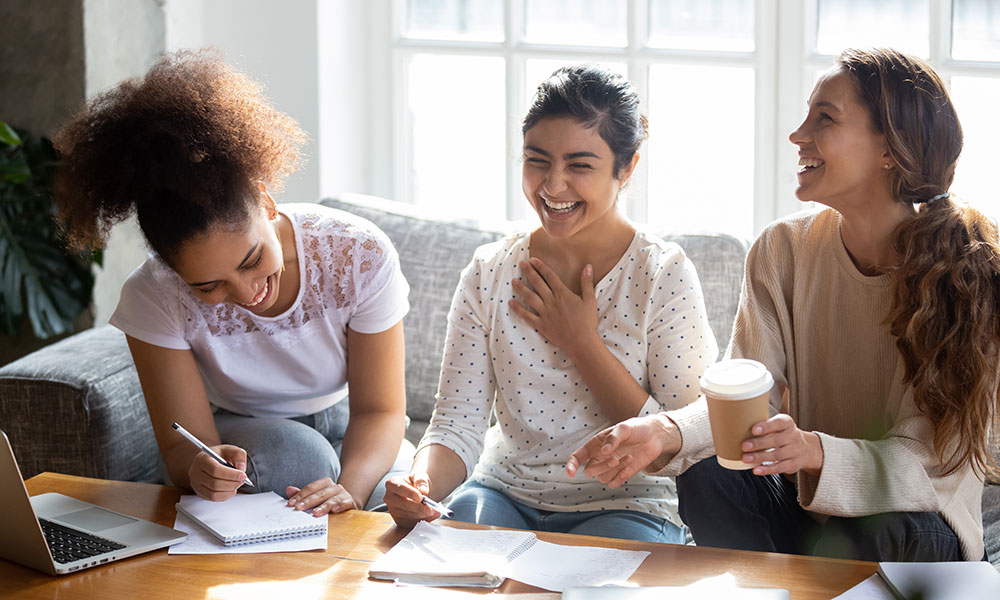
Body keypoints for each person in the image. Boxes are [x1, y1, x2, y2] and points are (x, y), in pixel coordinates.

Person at [568, 48, 1000, 562]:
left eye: (825, 118)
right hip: (816, 520)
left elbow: (925, 466)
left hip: (918, 524)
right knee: (708, 477)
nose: (798, 135)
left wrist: (813, 450)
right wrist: (664, 431)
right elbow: (749, 403)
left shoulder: (964, 275)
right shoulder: (782, 251)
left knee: (880, 532)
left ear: (891, 148)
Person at [52, 50, 412, 516]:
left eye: (251, 259)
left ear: (265, 202)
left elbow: (381, 411)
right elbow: (183, 449)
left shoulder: (356, 254)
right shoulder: (154, 295)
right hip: (246, 434)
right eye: (207, 287)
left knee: (404, 494)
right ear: (170, 268)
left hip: (349, 423)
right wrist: (202, 466)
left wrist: (354, 491)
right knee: (298, 458)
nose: (245, 295)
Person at [383, 64, 717, 543]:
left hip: (629, 505)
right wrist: (421, 483)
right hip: (500, 492)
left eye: (579, 165)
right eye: (537, 160)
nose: (552, 186)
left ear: (627, 168)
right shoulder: (490, 271)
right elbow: (456, 423)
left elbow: (684, 441)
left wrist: (582, 342)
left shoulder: (662, 274)